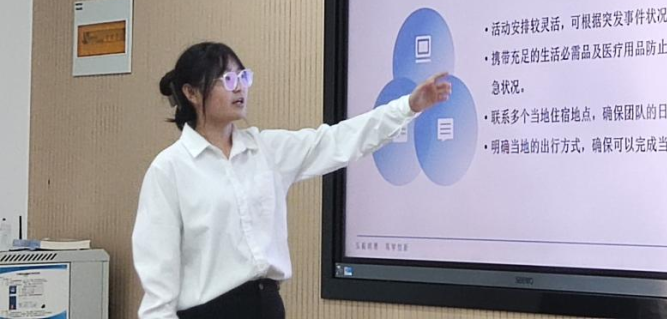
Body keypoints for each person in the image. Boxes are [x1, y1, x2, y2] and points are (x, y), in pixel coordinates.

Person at [131, 42, 450, 319]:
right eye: (227, 79)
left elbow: (338, 140)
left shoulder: (266, 150)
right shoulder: (170, 169)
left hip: (266, 305)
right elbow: (158, 285)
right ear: (191, 93)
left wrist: (408, 106)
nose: (239, 87)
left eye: (243, 77)